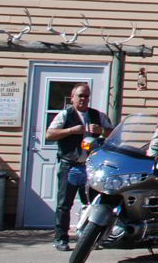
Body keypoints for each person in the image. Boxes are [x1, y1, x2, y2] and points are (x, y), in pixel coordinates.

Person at [45, 85, 112, 250]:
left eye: (87, 96)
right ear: (72, 97)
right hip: (70, 164)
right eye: (81, 96)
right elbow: (49, 134)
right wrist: (71, 130)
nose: (84, 99)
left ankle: (89, 238)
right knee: (64, 203)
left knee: (93, 203)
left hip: (91, 166)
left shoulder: (97, 115)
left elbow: (113, 132)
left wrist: (102, 130)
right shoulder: (65, 115)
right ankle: (61, 238)